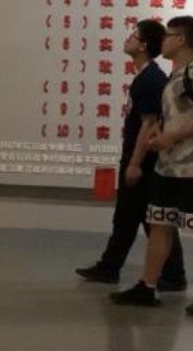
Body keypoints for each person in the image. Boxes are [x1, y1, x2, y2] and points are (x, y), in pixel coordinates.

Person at [112, 16, 193, 317]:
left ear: (180, 39)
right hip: (168, 166)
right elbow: (177, 116)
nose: (162, 41)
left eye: (167, 35)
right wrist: (160, 134)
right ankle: (147, 285)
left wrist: (171, 136)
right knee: (160, 224)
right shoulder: (175, 75)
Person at [76, 20, 187, 289]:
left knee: (151, 218)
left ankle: (172, 273)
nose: (128, 39)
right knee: (131, 216)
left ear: (143, 45)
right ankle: (112, 266)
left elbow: (149, 125)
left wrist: (134, 163)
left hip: (145, 159)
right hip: (142, 157)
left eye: (133, 36)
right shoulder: (147, 77)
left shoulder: (150, 80)